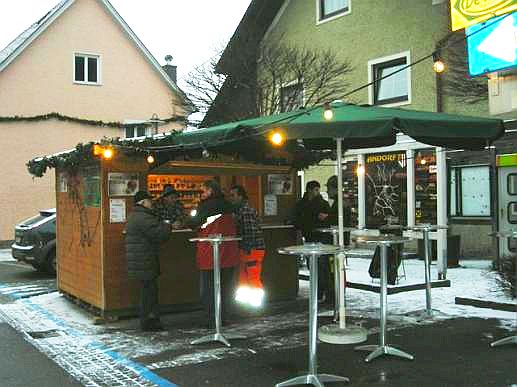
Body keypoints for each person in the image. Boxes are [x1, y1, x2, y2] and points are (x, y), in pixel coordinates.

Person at [186, 180, 239, 327]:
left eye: (203, 191)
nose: (201, 194)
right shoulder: (230, 205)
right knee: (226, 288)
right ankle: (225, 317)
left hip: (210, 253)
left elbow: (192, 223)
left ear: (210, 191)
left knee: (209, 288)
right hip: (229, 252)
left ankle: (212, 319)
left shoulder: (206, 206)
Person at [125, 191, 172, 331]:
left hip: (141, 260)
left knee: (148, 291)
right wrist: (167, 225)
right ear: (143, 202)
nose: (151, 203)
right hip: (144, 260)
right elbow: (159, 235)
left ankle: (150, 320)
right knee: (149, 292)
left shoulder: (136, 215)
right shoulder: (143, 217)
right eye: (149, 201)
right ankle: (148, 322)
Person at [293, 180, 332, 303]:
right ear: (310, 190)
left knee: (321, 268)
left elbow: (329, 219)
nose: (317, 192)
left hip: (320, 239)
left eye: (318, 190)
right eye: (316, 189)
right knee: (314, 268)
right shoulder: (303, 204)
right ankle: (318, 292)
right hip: (310, 238)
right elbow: (298, 220)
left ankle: (322, 292)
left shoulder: (321, 203)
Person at [229, 185, 266, 307]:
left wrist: (247, 248)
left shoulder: (245, 211)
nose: (231, 198)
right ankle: (247, 305)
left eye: (233, 195)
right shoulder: (243, 210)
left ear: (240, 196)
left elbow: (251, 232)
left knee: (252, 277)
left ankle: (255, 304)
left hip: (251, 249)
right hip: (248, 249)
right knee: (245, 277)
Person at [325, 175, 353, 245]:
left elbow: (336, 220)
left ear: (336, 189)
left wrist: (326, 217)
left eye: (329, 188)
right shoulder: (341, 202)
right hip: (341, 238)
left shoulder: (340, 203)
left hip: (338, 239)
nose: (327, 191)